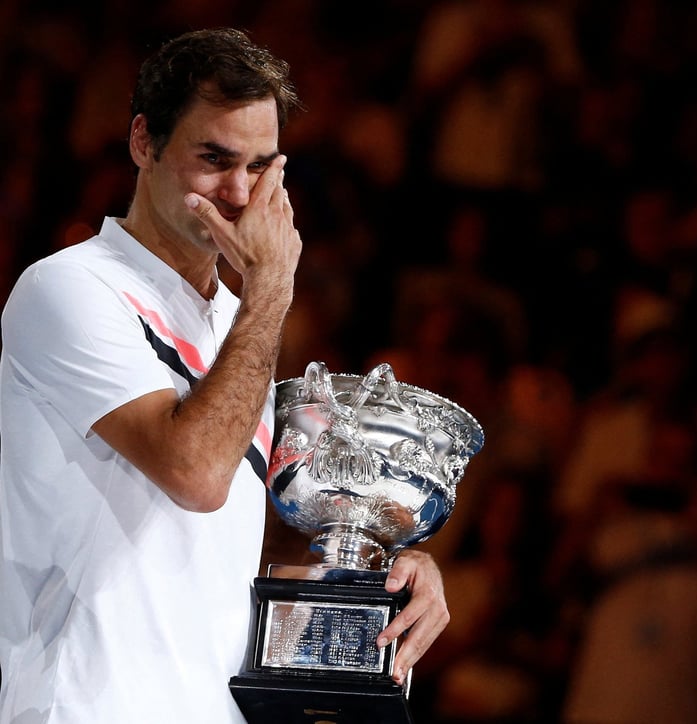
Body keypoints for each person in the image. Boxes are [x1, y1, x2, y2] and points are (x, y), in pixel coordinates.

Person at [0, 28, 450, 723]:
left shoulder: (238, 320)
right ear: (144, 142)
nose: (239, 192)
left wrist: (374, 571)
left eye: (260, 166)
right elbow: (197, 475)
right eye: (214, 159)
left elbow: (218, 549)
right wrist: (271, 286)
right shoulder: (70, 288)